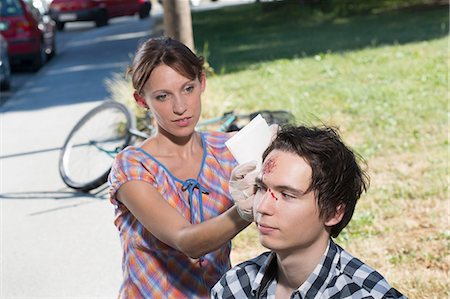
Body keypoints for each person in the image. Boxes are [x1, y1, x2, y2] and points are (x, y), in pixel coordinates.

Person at [108, 37, 256, 298]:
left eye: (188, 88)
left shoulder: (228, 149)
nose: (180, 107)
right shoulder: (132, 166)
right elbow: (186, 241)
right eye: (163, 96)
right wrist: (245, 210)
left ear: (202, 82)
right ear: (142, 101)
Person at [211, 125, 407, 299]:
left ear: (334, 213)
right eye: (261, 188)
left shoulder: (363, 294)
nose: (262, 207)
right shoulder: (234, 288)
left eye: (287, 195)